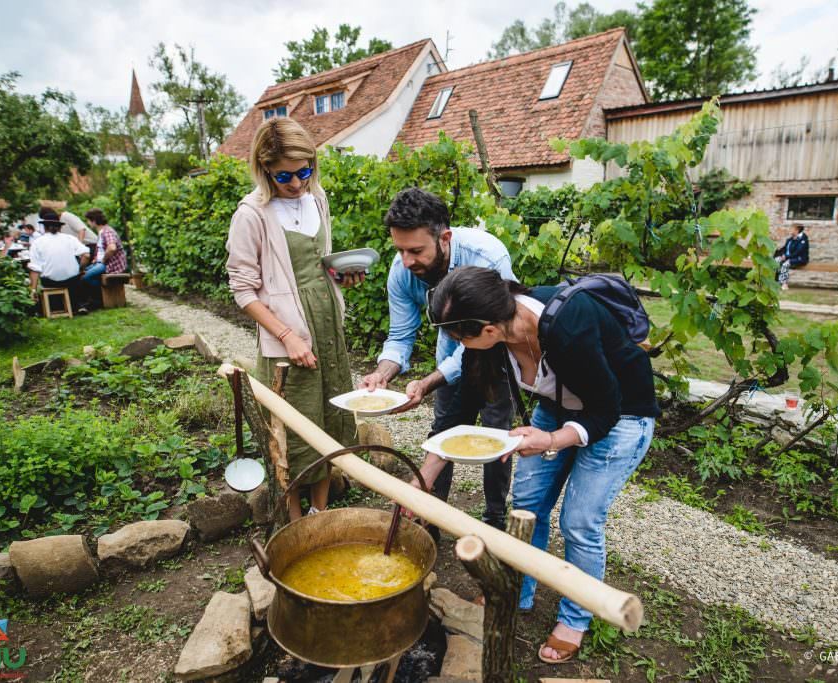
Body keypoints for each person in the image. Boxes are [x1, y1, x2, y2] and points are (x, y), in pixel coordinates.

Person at [414, 266, 660, 664]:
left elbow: (605, 410)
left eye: (459, 336)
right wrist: (422, 480)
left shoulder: (569, 325)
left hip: (621, 415)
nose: (457, 344)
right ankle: (518, 592)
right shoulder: (492, 341)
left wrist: (551, 440)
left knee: (579, 521)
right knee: (527, 506)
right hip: (557, 406)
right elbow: (458, 417)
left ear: (490, 328)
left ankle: (576, 618)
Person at [226, 116, 363, 521]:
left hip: (326, 328)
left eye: (306, 170)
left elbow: (318, 266)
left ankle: (320, 512)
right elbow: (243, 291)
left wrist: (342, 277)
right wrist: (288, 336)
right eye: (286, 174)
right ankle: (294, 520)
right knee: (290, 426)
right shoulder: (251, 214)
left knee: (329, 416)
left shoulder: (317, 199)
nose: (298, 182)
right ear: (264, 167)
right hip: (288, 337)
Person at [358, 188, 516, 530]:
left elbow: (494, 332)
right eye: (399, 250)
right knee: (442, 433)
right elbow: (401, 336)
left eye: (416, 250)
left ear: (444, 238)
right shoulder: (403, 270)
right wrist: (383, 374)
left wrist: (428, 382)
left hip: (495, 358)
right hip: (450, 359)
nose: (407, 261)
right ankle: (427, 520)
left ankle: (494, 521)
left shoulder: (487, 256)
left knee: (496, 436)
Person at [29, 209, 91, 313]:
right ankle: (80, 305)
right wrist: (80, 269)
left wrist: (33, 290)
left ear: (44, 226)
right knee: (78, 278)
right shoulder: (70, 239)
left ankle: (53, 306)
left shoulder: (38, 242)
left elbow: (35, 268)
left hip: (50, 283)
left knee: (44, 277)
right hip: (72, 281)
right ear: (60, 226)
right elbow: (86, 255)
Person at [81, 208, 127, 293]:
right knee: (82, 273)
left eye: (88, 220)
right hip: (102, 263)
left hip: (110, 264)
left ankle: (104, 293)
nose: (88, 223)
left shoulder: (107, 231)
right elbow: (102, 249)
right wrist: (96, 259)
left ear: (94, 221)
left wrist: (103, 260)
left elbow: (112, 248)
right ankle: (100, 295)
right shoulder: (102, 232)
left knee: (86, 277)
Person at [774, 224, 809, 289]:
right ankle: (776, 282)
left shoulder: (803, 239)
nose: (790, 230)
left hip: (799, 258)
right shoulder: (790, 239)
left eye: (792, 229)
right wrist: (779, 254)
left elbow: (798, 252)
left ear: (797, 230)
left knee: (785, 264)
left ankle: (784, 284)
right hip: (788, 257)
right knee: (776, 261)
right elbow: (784, 249)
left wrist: (786, 257)